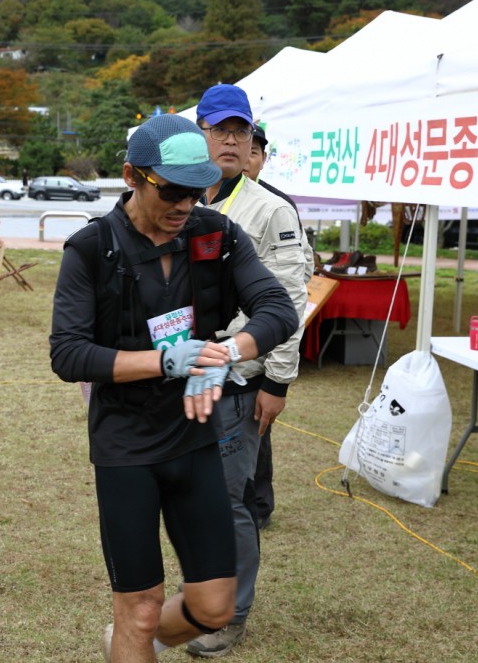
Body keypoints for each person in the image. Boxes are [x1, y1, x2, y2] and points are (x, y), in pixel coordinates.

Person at [49, 113, 299, 663]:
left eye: (196, 189)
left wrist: (226, 353)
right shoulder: (92, 249)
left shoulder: (216, 234)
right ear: (131, 176)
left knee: (214, 606)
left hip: (195, 437)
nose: (186, 203)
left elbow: (278, 309)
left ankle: (128, 642)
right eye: (172, 190)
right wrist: (164, 361)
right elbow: (67, 354)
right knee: (140, 609)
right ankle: (133, 636)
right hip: (126, 445)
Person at [187, 84, 310, 658]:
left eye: (241, 131)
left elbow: (289, 300)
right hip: (181, 377)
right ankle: (203, 596)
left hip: (239, 380)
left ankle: (231, 613)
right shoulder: (181, 195)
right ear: (201, 135)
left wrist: (277, 382)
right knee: (189, 493)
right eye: (220, 130)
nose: (231, 140)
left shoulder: (269, 209)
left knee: (229, 499)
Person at [243, 123, 310, 531]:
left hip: (259, 346)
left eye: (253, 152)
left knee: (256, 430)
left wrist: (278, 375)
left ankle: (259, 505)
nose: (244, 158)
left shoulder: (277, 206)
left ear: (263, 158)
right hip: (218, 350)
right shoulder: (204, 197)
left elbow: (299, 277)